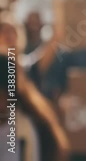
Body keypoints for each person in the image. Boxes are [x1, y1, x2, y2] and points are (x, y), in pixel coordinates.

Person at [0, 19, 70, 161]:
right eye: (3, 31)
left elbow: (52, 45)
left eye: (12, 31)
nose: (9, 36)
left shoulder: (26, 129)